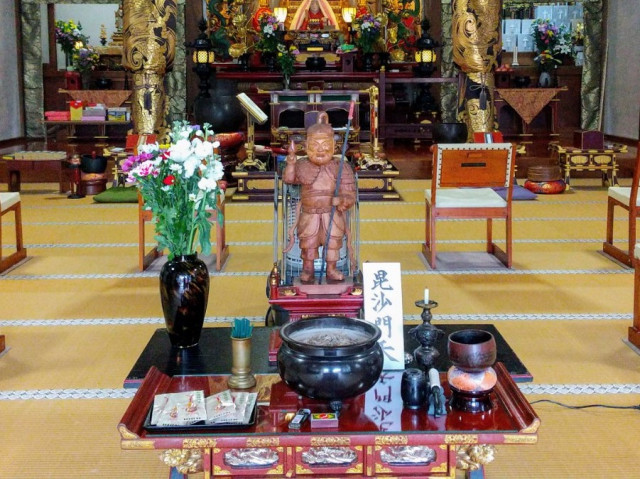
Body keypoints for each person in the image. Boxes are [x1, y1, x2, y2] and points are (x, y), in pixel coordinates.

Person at [283, 113, 356, 283]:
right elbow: (289, 179)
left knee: (333, 243)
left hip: (332, 213)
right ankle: (308, 270)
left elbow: (349, 193)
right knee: (308, 243)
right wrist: (291, 164)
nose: (321, 150)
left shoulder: (341, 167)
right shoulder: (302, 165)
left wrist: (342, 200)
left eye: (325, 145)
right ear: (306, 146)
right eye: (315, 145)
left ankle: (331, 269)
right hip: (309, 213)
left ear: (334, 146)